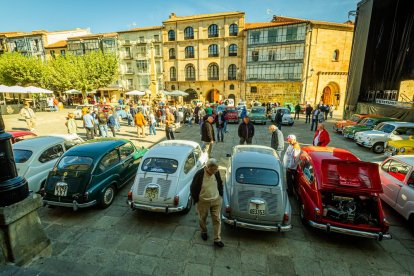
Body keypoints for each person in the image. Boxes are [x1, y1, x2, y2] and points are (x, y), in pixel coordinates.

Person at [190, 158, 224, 248]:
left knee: (217, 219)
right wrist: (196, 200)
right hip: (203, 202)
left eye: (216, 169)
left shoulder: (216, 172)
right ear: (207, 167)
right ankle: (204, 231)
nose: (215, 171)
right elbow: (193, 188)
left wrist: (221, 194)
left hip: (216, 200)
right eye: (213, 169)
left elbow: (220, 183)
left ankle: (217, 239)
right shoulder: (199, 174)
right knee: (202, 218)